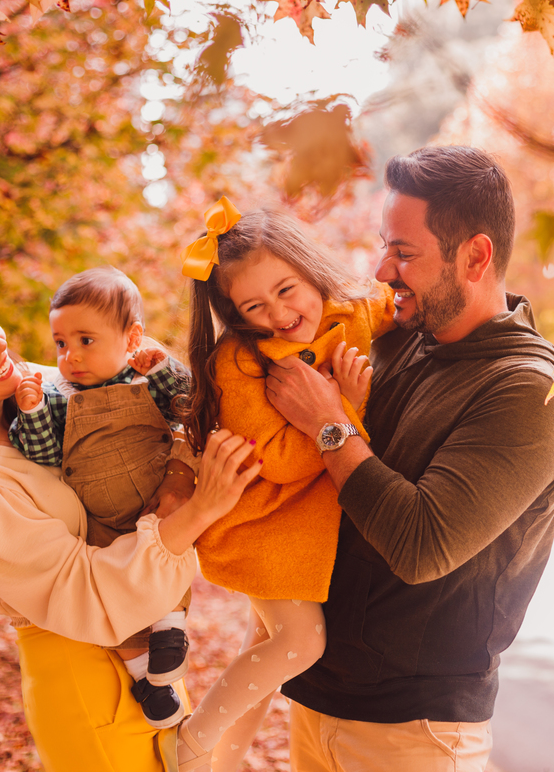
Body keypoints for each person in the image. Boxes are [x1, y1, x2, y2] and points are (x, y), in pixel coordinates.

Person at [0, 281, 262, 772]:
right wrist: (198, 509)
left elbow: (160, 411)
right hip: (87, 676)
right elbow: (85, 589)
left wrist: (176, 467)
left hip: (152, 649)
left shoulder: (48, 388)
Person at [264, 145, 554, 771]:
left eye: (405, 253)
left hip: (417, 734)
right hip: (317, 700)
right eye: (385, 246)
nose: (383, 270)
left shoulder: (527, 391)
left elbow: (421, 543)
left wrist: (329, 423)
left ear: (476, 256)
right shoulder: (401, 339)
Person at [171, 200, 396, 772]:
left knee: (263, 647)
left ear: (308, 268)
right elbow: (280, 463)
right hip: (263, 524)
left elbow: (398, 302)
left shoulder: (354, 308)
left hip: (303, 531)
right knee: (301, 643)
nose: (279, 312)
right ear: (238, 318)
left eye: (287, 289)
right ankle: (192, 741)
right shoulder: (241, 365)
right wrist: (346, 405)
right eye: (254, 306)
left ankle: (223, 763)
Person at [10, 266, 199, 729]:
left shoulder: (146, 381)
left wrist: (161, 364)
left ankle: (171, 631)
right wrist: (32, 411)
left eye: (86, 340)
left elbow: (189, 404)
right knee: (113, 604)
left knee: (171, 555)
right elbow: (42, 451)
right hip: (96, 520)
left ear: (131, 338)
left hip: (155, 503)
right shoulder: (59, 397)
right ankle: (145, 681)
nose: (70, 355)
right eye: (60, 343)